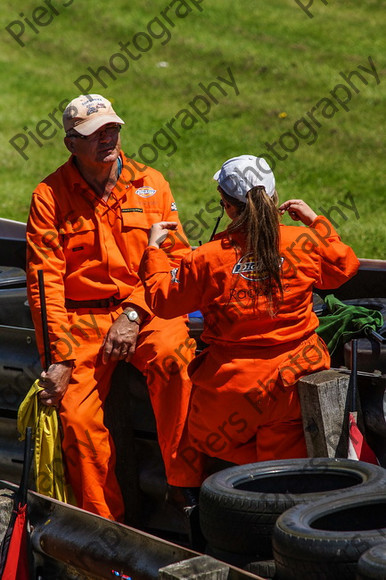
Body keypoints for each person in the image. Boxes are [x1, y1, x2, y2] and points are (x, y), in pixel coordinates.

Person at [26, 94, 204, 521]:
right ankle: (106, 530)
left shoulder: (152, 182)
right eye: (94, 134)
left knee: (176, 362)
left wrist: (132, 313)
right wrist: (59, 357)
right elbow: (44, 281)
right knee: (74, 415)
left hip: (147, 308)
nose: (108, 138)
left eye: (112, 129)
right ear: (71, 143)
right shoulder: (48, 196)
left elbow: (176, 258)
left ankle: (183, 486)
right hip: (78, 320)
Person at [139, 154, 360, 478]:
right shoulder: (305, 243)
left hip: (229, 395)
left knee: (216, 450)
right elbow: (344, 266)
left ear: (227, 206)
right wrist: (316, 222)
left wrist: (154, 251)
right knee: (279, 474)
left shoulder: (207, 259)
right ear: (274, 199)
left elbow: (163, 301)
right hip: (293, 383)